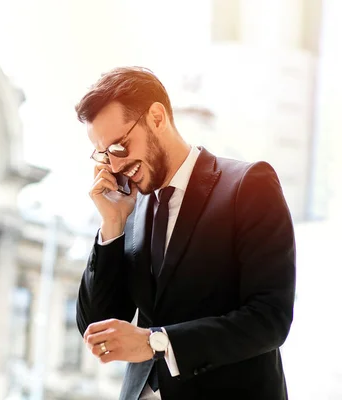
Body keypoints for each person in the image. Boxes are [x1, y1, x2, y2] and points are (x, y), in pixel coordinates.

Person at [74, 67, 296, 400]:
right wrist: (112, 225)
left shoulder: (248, 185)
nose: (116, 167)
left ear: (157, 117)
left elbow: (269, 319)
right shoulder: (130, 210)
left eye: (120, 148)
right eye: (105, 155)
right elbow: (98, 328)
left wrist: (155, 342)